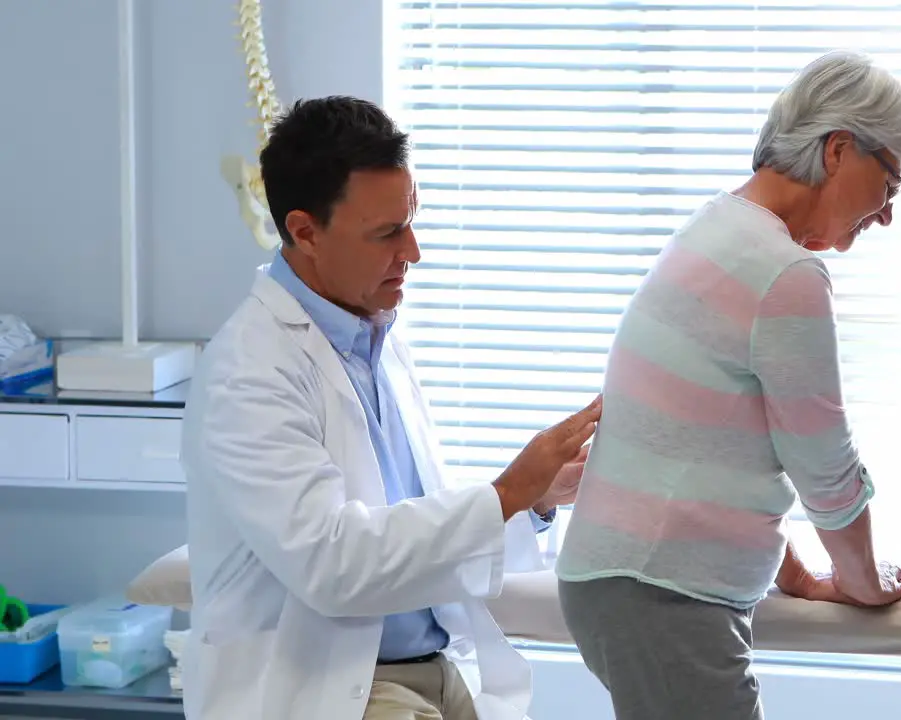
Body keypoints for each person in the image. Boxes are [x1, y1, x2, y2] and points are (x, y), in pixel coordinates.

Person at [180, 96, 600, 720]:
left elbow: (408, 526)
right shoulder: (249, 372)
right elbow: (335, 565)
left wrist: (536, 500)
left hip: (426, 668)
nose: (413, 251)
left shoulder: (374, 339)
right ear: (303, 231)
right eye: (386, 234)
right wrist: (508, 491)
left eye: (410, 220)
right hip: (329, 687)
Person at [555, 50, 901, 719]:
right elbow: (822, 463)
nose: (887, 213)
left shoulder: (719, 230)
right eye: (892, 183)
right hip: (659, 592)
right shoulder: (784, 272)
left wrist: (800, 577)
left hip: (633, 584)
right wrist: (863, 581)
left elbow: (718, 452)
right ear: (841, 150)